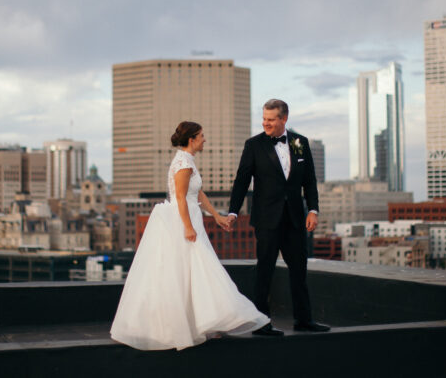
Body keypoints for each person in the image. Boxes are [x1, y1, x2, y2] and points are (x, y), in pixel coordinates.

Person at [110, 121, 269, 350]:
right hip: (183, 220)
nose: (205, 139)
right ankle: (194, 324)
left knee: (193, 270)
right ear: (192, 139)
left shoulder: (188, 160)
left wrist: (215, 215)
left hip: (192, 217)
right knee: (193, 268)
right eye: (202, 135)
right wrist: (187, 227)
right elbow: (182, 197)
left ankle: (199, 322)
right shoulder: (183, 162)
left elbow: (198, 193)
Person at [227, 99, 330, 336]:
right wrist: (233, 211)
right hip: (266, 219)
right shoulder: (253, 145)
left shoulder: (299, 142)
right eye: (264, 118)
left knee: (299, 271)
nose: (266, 123)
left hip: (295, 218)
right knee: (264, 270)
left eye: (271, 119)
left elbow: (310, 180)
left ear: (284, 119)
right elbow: (242, 180)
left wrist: (313, 209)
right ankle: (261, 323)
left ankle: (304, 321)